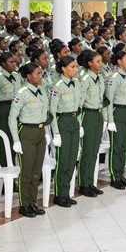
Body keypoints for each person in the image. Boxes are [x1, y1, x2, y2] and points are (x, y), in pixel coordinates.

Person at [9, 63, 49, 218]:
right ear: (28, 76)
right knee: (26, 171)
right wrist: (16, 140)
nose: (40, 76)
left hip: (40, 131)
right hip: (26, 132)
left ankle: (33, 202)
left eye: (41, 73)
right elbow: (12, 117)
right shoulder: (22, 93)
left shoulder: (42, 91)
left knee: (36, 172)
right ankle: (24, 205)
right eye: (37, 73)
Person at [50, 56, 82, 207]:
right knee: (63, 160)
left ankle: (67, 192)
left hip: (74, 121)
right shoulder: (58, 86)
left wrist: (79, 124)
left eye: (76, 67)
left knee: (72, 158)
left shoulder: (76, 83)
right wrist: (55, 133)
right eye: (72, 67)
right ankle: (59, 194)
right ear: (63, 69)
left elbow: (78, 105)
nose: (75, 70)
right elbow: (53, 111)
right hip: (62, 122)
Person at [104, 50, 126, 190]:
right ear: (118, 61)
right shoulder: (114, 77)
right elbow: (109, 100)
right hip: (117, 112)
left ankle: (121, 174)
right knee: (116, 146)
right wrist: (110, 120)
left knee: (124, 145)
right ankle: (114, 176)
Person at [77, 50, 105, 198]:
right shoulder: (85, 78)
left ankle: (90, 182)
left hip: (98, 114)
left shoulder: (99, 78)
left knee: (94, 150)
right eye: (98, 61)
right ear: (89, 64)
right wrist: (79, 123)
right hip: (87, 115)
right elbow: (80, 102)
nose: (101, 64)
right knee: (87, 150)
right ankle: (83, 184)